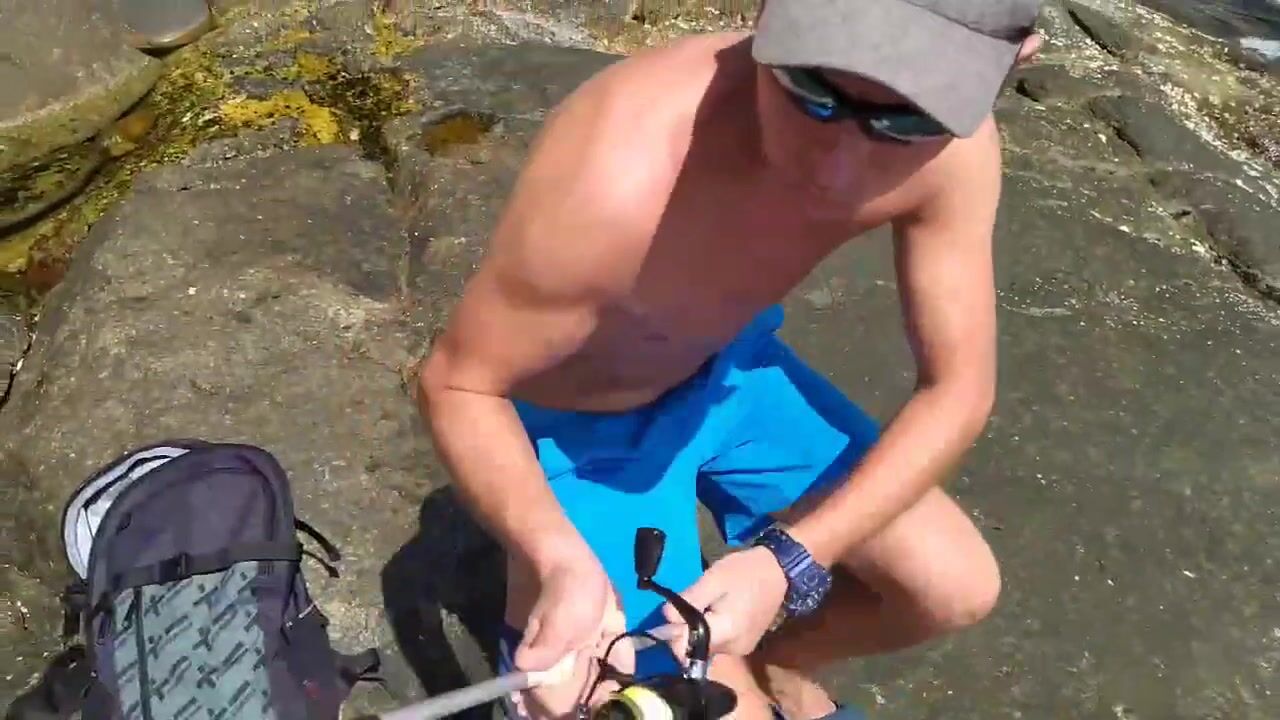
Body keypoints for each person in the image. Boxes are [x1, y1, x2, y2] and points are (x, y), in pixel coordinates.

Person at [417, 0, 1044, 718]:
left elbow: (957, 390)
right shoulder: (619, 171)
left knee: (953, 587)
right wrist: (556, 558)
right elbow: (457, 384)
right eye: (812, 92)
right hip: (579, 428)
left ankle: (782, 662)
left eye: (905, 121)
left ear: (1011, 62)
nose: (838, 166)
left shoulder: (955, 145)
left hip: (727, 372)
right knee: (628, 693)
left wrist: (790, 560)